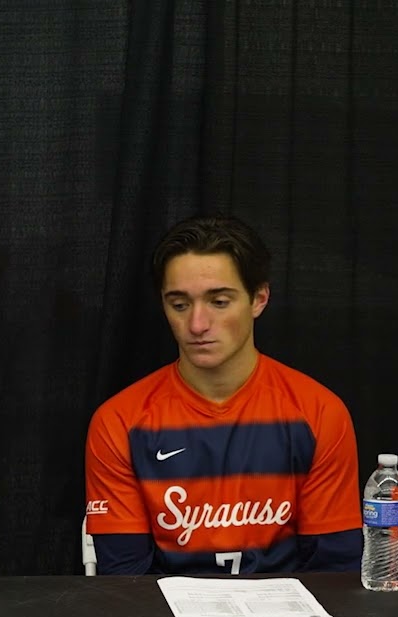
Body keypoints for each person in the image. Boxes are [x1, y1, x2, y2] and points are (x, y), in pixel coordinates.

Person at [85, 215, 361, 575]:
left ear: (258, 298)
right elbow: (124, 581)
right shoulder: (119, 422)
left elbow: (335, 575)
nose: (197, 324)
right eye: (180, 304)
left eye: (219, 301)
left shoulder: (319, 413)